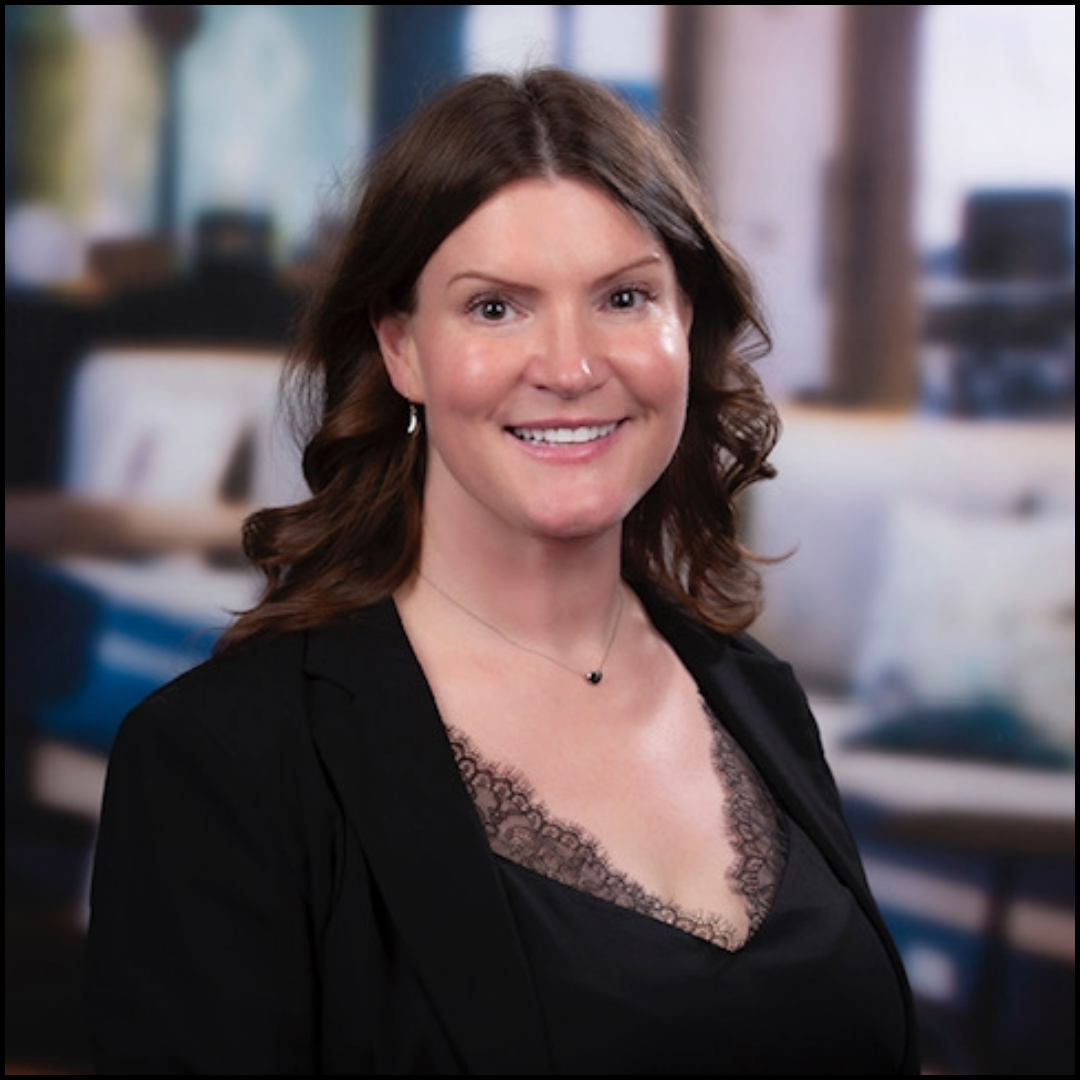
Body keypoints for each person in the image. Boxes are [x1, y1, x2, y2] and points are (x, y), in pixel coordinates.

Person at [85, 66, 920, 1074]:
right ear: (401, 349)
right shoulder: (220, 764)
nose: (569, 366)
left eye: (624, 296)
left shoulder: (759, 698)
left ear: (684, 326)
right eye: (495, 309)